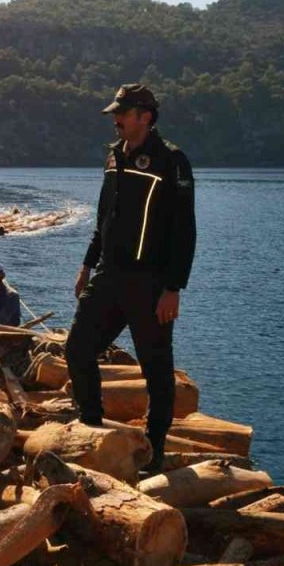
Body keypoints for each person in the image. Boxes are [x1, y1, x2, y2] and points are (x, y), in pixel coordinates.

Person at [67, 84, 196, 473]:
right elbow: (104, 216)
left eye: (122, 114)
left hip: (151, 283)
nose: (116, 121)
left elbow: (185, 231)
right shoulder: (113, 157)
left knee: (156, 371)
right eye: (115, 115)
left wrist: (174, 288)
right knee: (77, 349)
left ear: (145, 116)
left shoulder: (172, 161)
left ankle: (153, 452)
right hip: (108, 276)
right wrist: (87, 264)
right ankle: (91, 424)